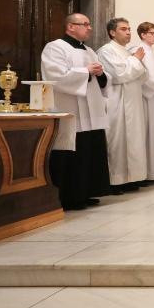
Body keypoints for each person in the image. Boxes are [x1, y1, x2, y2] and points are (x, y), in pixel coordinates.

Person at [41, 13, 111, 210]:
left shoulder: (90, 51)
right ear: (71, 26)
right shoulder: (55, 47)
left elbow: (104, 79)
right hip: (69, 108)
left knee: (90, 150)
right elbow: (55, 76)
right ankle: (70, 196)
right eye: (85, 24)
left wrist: (101, 73)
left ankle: (87, 191)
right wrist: (86, 71)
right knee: (72, 151)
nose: (89, 28)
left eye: (89, 24)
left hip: (92, 110)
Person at [97, 18, 149, 193]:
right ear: (112, 32)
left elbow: (143, 76)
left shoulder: (128, 52)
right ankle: (116, 180)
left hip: (133, 101)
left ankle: (132, 178)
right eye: (123, 29)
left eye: (129, 29)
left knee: (134, 141)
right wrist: (136, 61)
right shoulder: (106, 51)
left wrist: (136, 61)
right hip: (116, 101)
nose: (128, 32)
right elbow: (119, 74)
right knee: (117, 140)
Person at [130, 22, 154, 182]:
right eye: (152, 33)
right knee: (147, 132)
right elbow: (140, 73)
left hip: (153, 96)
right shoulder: (138, 50)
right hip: (144, 97)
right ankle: (146, 173)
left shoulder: (150, 51)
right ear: (143, 34)